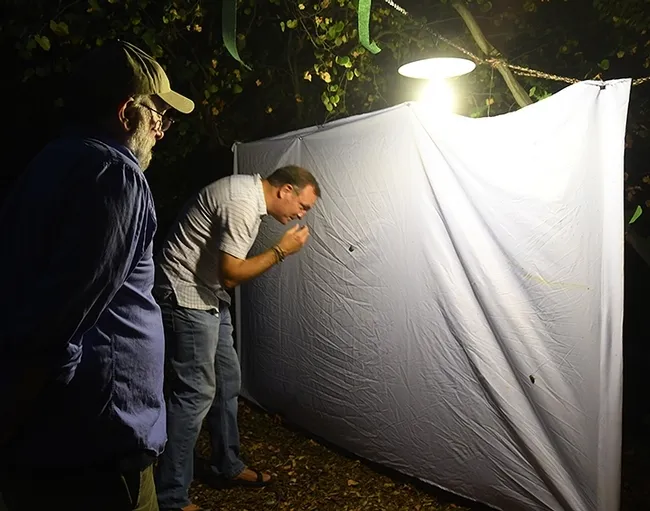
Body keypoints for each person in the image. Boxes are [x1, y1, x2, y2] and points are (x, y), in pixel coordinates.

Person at [0, 40, 194, 511]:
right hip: (98, 452)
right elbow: (58, 324)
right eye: (158, 116)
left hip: (59, 443)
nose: (161, 132)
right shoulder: (114, 176)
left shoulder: (48, 163)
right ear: (128, 111)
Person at [154, 166, 320, 511]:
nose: (299, 216)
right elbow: (231, 275)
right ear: (285, 190)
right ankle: (170, 496)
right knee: (195, 392)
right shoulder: (243, 203)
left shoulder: (250, 197)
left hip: (209, 295)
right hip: (185, 293)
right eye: (302, 206)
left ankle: (226, 465)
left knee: (227, 381)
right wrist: (281, 251)